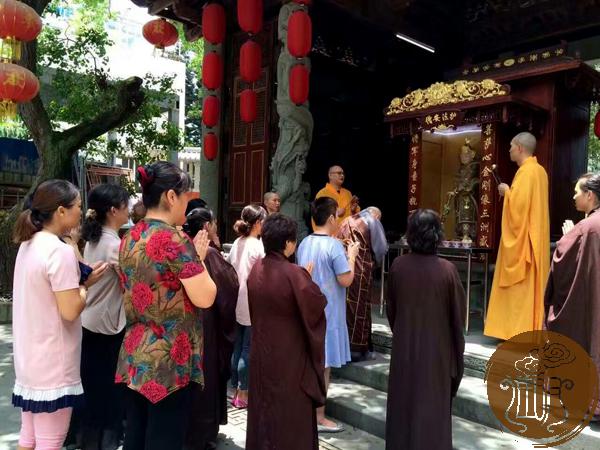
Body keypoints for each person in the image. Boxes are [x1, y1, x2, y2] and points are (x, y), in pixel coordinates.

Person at [115, 161, 217, 450]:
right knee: (164, 439)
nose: (187, 203)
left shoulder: (130, 236)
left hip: (135, 352)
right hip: (168, 361)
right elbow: (206, 296)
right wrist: (199, 259)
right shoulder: (174, 239)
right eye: (185, 196)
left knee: (136, 436)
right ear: (171, 196)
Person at [12, 180, 108, 450]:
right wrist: (84, 288)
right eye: (77, 206)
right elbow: (70, 310)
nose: (81, 211)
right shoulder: (60, 251)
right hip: (54, 365)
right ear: (61, 211)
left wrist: (80, 282)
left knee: (28, 438)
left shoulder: (29, 244)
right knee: (49, 442)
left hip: (30, 361)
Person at [245, 214, 327, 450]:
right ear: (288, 243)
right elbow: (316, 304)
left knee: (264, 411)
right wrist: (306, 279)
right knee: (289, 417)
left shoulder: (257, 268)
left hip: (262, 353)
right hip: (289, 359)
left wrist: (303, 279)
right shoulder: (293, 273)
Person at [385, 209, 465, 450]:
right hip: (436, 356)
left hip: (405, 351)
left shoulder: (398, 266)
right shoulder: (447, 270)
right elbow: (457, 319)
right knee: (431, 415)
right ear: (437, 234)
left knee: (403, 409)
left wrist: (405, 332)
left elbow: (392, 311)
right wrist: (455, 361)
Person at [75, 184, 131, 450]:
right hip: (107, 326)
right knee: (108, 389)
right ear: (113, 210)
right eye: (125, 205)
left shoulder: (94, 239)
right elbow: (132, 283)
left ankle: (89, 440)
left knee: (92, 387)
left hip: (89, 320)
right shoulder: (114, 245)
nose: (129, 210)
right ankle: (106, 442)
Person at [296, 197, 359, 433]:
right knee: (323, 367)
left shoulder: (304, 242)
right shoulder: (333, 246)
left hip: (308, 310)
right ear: (332, 218)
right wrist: (352, 255)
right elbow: (346, 279)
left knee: (311, 363)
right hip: (328, 313)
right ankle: (319, 416)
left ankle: (307, 412)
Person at [484, 132, 550, 340]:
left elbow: (519, 210)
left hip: (523, 243)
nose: (509, 149)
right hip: (535, 239)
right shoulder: (540, 171)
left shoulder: (526, 172)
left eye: (511, 146)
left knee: (518, 289)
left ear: (520, 148)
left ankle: (515, 332)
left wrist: (506, 192)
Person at [545, 173, 600, 419]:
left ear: (590, 195)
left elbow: (563, 258)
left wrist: (568, 237)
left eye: (577, 191)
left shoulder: (586, 228)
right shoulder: (587, 226)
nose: (574, 196)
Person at [183, 207, 239, 449]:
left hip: (186, 324)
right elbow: (229, 287)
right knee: (205, 377)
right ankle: (202, 434)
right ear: (206, 226)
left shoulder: (183, 247)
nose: (216, 226)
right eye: (214, 222)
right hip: (206, 324)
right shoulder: (209, 254)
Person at [227, 204, 267, 409]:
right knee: (247, 348)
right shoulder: (257, 246)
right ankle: (243, 393)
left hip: (236, 300)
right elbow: (264, 275)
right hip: (251, 302)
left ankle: (234, 388)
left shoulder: (237, 242)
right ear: (258, 222)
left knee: (237, 347)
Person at [337, 206, 388, 361]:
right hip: (361, 269)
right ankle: (358, 350)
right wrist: (375, 263)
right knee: (360, 307)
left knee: (346, 306)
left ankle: (343, 347)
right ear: (375, 215)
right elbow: (381, 249)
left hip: (344, 268)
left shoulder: (346, 220)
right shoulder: (372, 221)